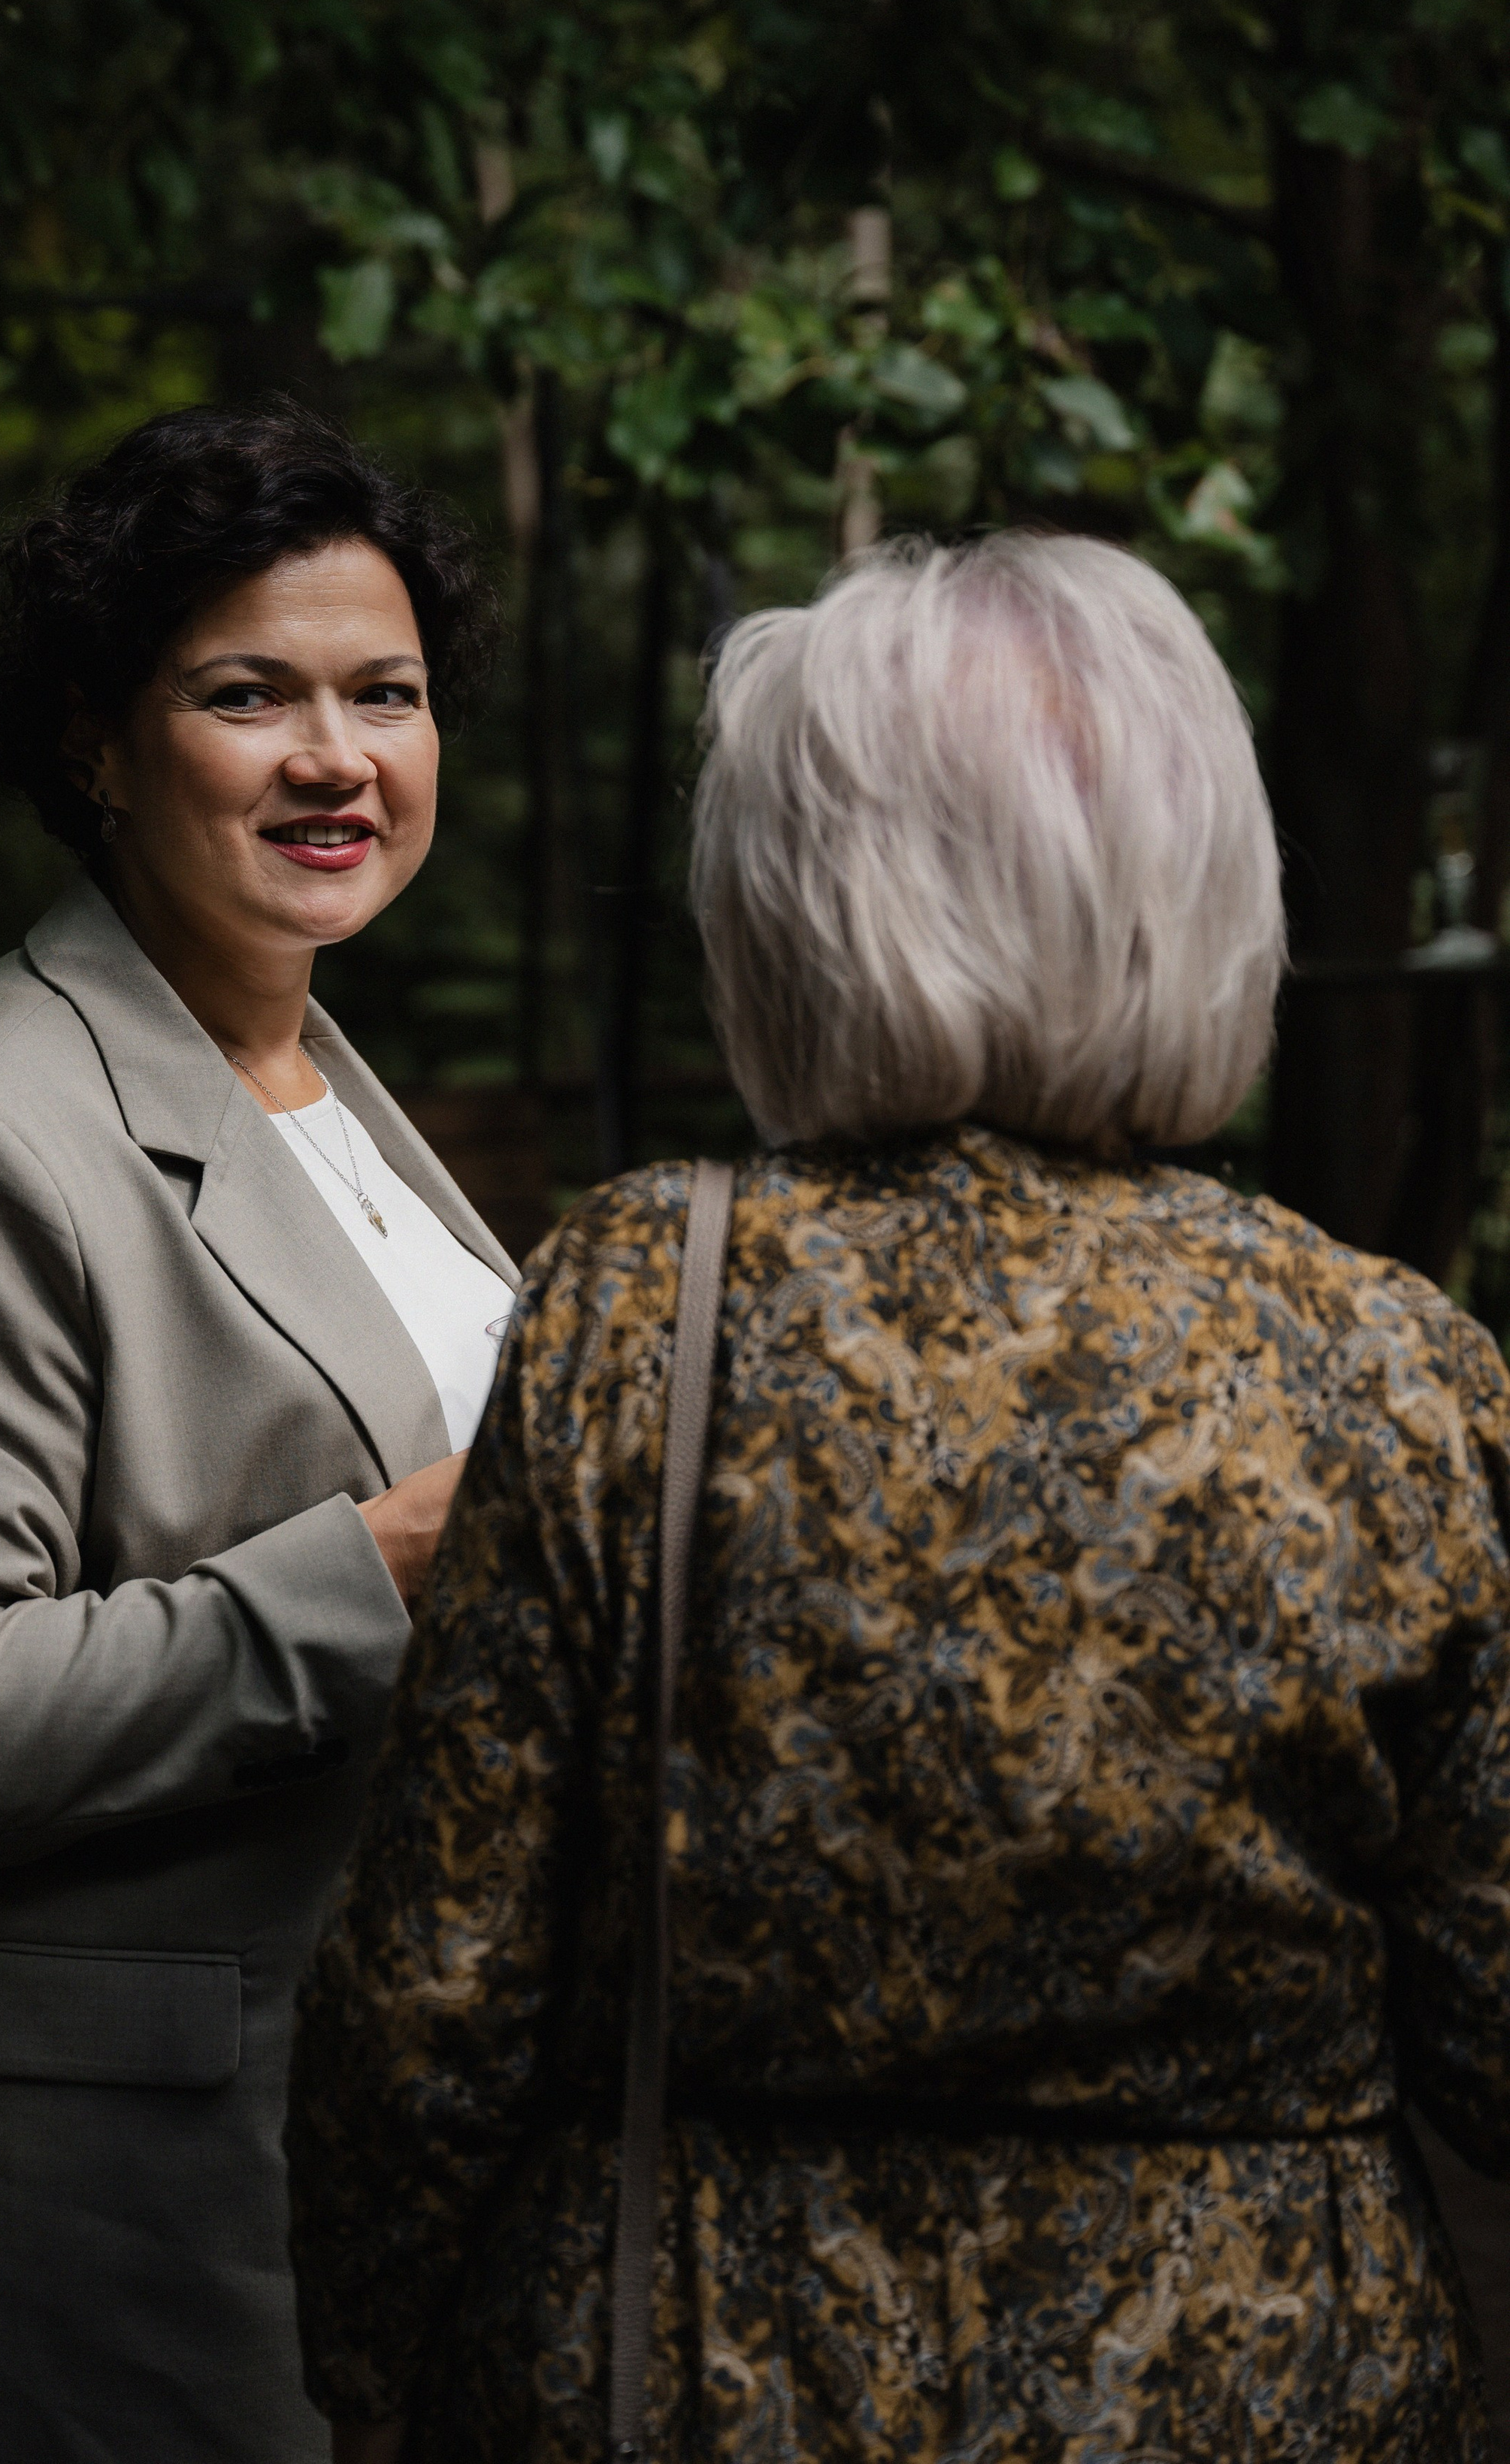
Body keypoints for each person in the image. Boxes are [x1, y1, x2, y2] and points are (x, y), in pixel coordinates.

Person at [286, 531, 1510, 2464]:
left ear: (788, 904)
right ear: (1205, 888)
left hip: (703, 2369)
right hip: (1270, 2391)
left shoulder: (641, 1311)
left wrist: (375, 2368)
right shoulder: (1392, 1370)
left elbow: (435, 1995)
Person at [0, 399, 516, 2464]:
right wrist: (388, 1568)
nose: (338, 756)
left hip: (324, 2128)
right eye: (251, 694)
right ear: (95, 739)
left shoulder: (306, 1063)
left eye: (385, 695)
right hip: (78, 2198)